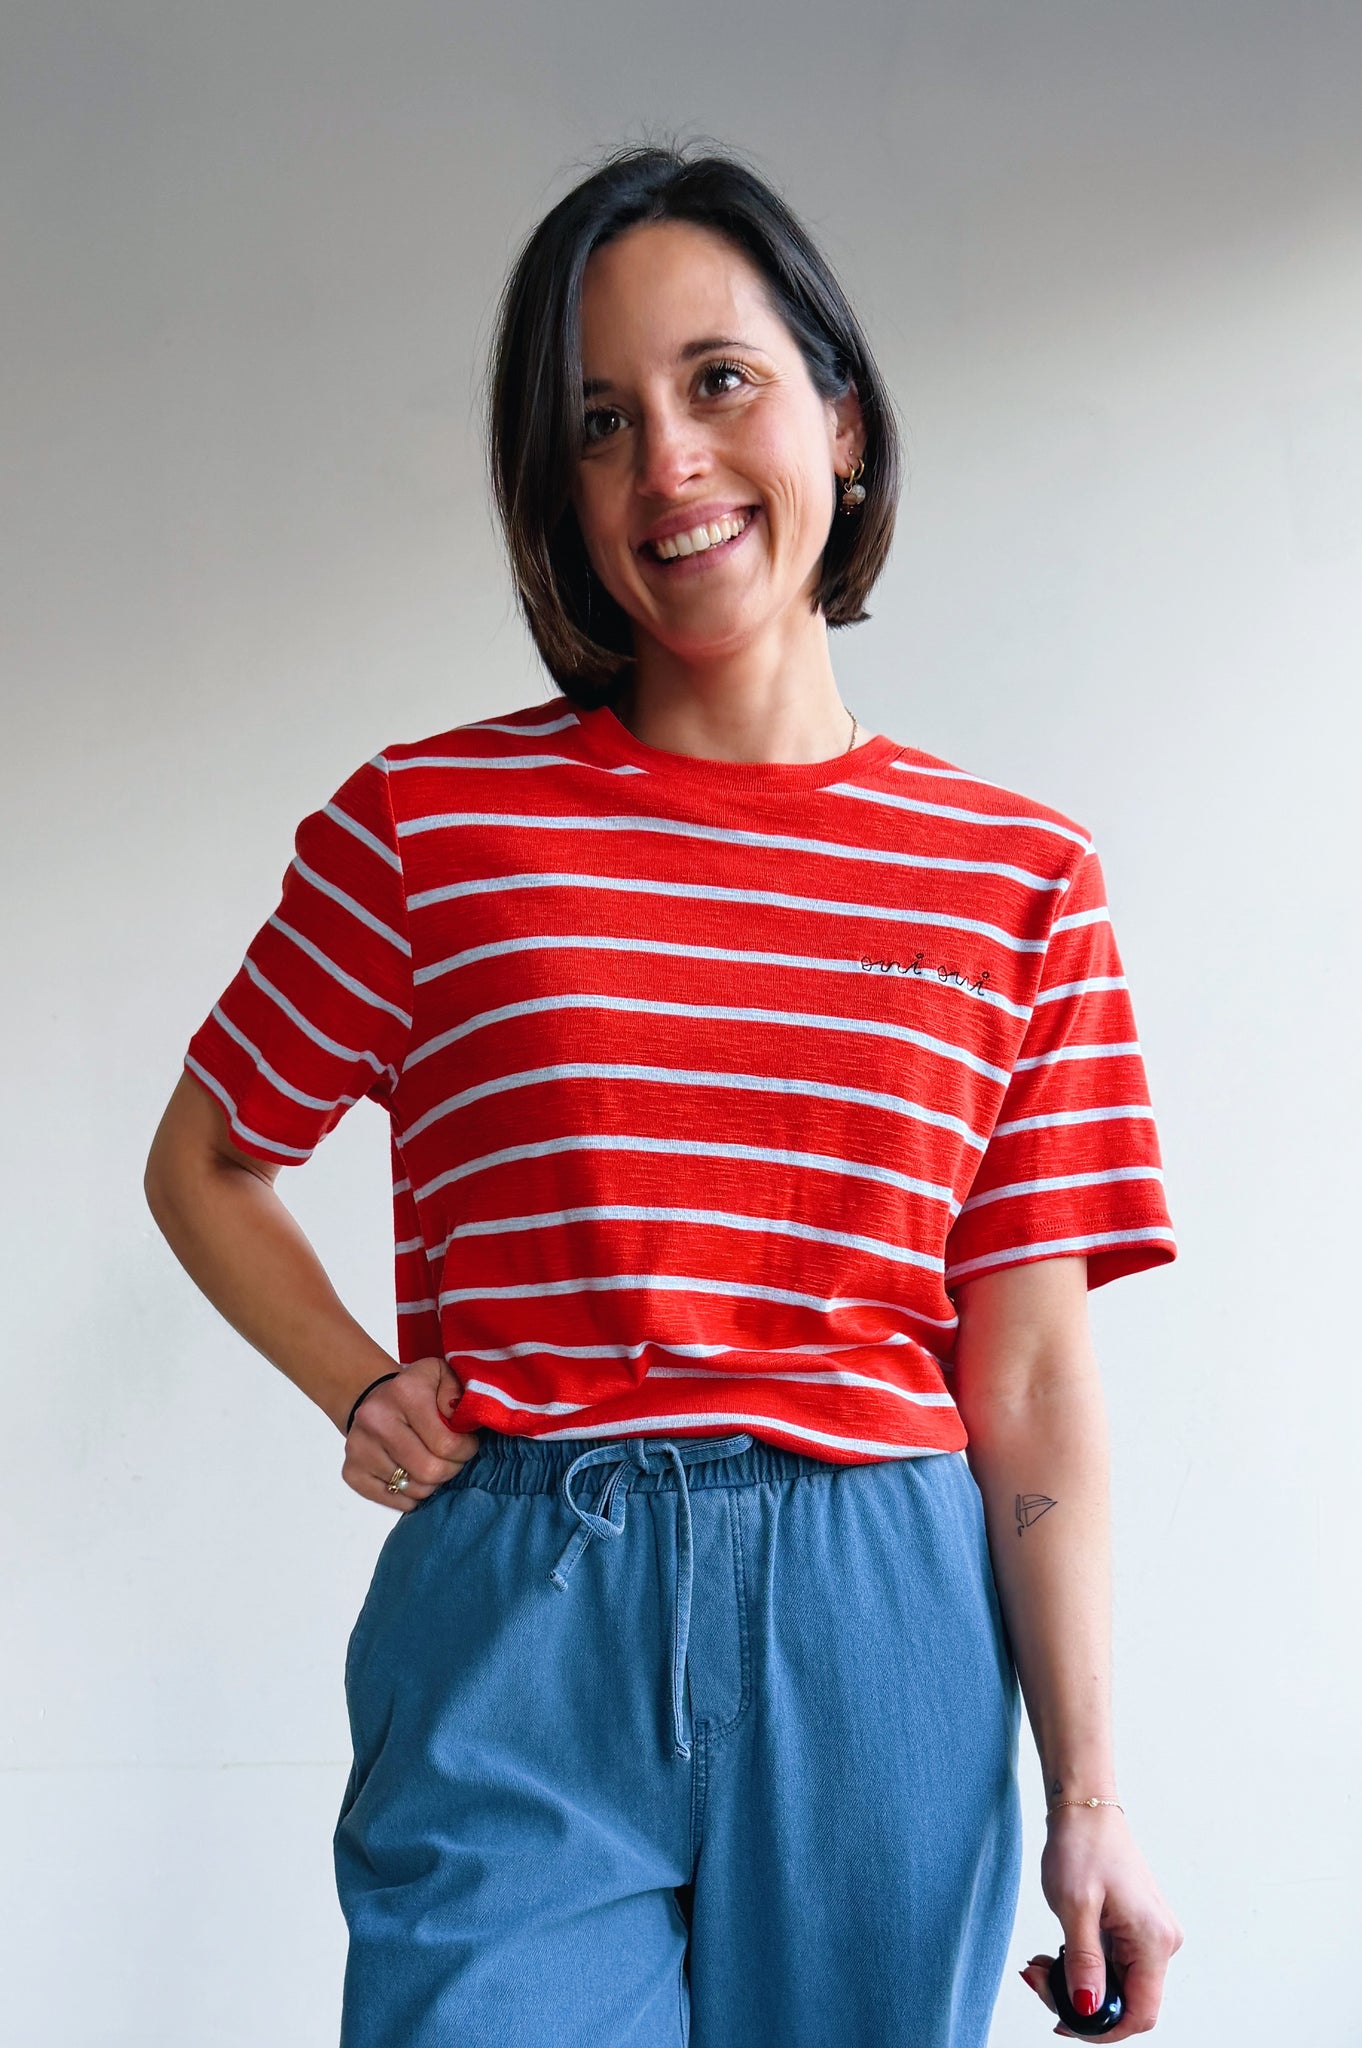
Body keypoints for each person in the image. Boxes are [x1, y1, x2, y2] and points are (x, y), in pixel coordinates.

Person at [144, 138, 1184, 2048]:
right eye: (600, 423)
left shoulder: (1015, 875)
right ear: (559, 491)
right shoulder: (429, 826)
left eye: (720, 383)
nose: (668, 465)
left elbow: (1029, 1373)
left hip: (878, 1618)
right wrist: (354, 1381)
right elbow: (209, 1157)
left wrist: (1093, 1802)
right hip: (523, 1607)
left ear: (839, 420)